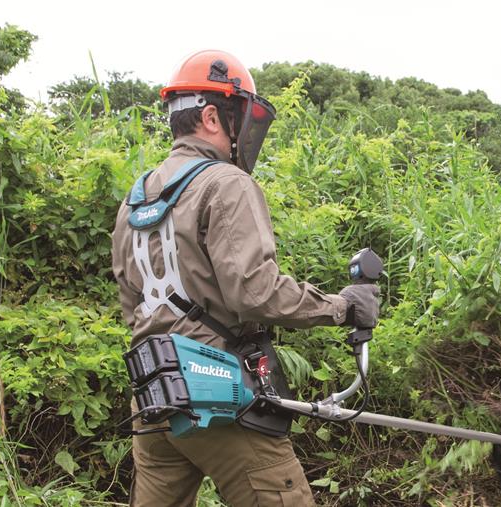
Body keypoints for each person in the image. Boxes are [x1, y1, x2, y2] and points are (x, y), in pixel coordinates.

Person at [111, 49, 380, 507]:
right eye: (241, 115)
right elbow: (255, 292)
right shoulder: (225, 183)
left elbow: (130, 305)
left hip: (154, 400)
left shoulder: (136, 199)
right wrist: (343, 306)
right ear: (213, 116)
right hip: (217, 396)